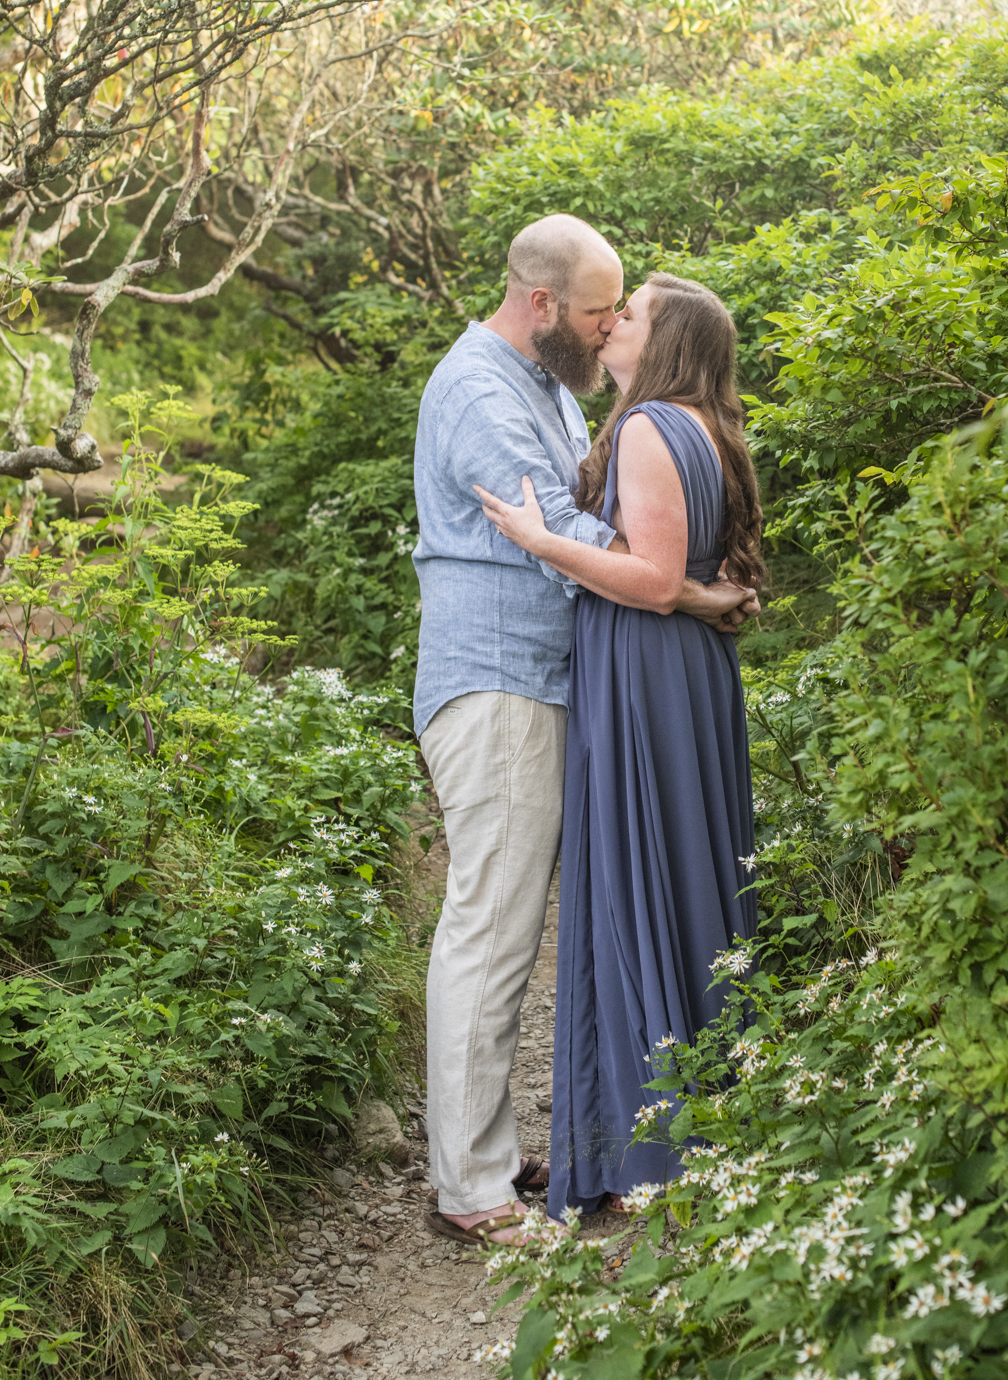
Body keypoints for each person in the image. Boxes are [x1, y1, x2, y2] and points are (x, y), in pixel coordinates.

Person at [413, 219, 756, 1245]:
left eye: (623, 310)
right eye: (600, 309)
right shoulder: (480, 390)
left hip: (553, 680)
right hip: (502, 682)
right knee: (492, 923)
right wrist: (688, 591)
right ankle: (470, 1189)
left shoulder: (553, 386)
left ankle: (493, 1150)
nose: (611, 325)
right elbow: (565, 535)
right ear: (542, 305)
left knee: (525, 920)